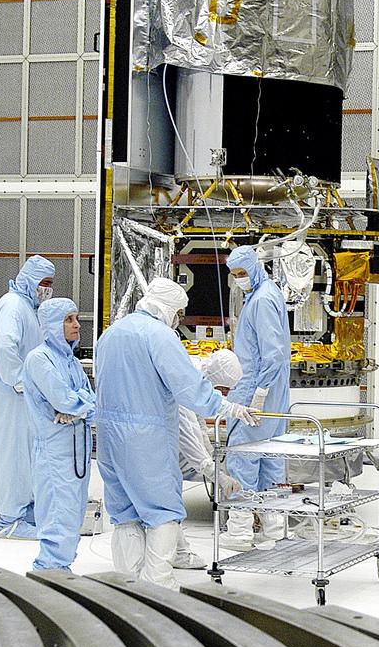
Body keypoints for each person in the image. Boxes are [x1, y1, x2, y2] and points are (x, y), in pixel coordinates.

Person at [95, 277, 258, 589]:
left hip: (108, 437)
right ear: (168, 308)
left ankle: (127, 587)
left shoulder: (112, 333)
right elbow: (190, 390)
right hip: (145, 439)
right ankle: (159, 586)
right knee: (163, 510)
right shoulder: (159, 336)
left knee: (125, 513)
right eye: (179, 313)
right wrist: (228, 408)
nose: (179, 319)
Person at [224, 246, 292, 551]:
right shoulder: (265, 294)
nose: (238, 279)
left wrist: (259, 394)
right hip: (274, 394)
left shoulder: (262, 300)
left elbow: (274, 354)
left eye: (241, 273)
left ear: (254, 267)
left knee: (243, 456)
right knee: (270, 459)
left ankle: (239, 531)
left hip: (256, 392)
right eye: (234, 275)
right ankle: (273, 529)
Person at [0, 254, 56, 539]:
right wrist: (18, 380)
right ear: (29, 279)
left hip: (23, 396)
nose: (47, 289)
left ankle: (25, 508)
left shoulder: (28, 306)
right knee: (14, 455)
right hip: (10, 395)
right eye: (43, 283)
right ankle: (9, 520)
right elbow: (4, 347)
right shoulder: (13, 305)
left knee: (28, 454)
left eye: (50, 283)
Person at [23, 298, 96, 572]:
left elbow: (87, 398)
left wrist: (79, 409)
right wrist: (77, 406)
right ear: (52, 325)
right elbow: (64, 400)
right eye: (69, 319)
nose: (77, 325)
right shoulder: (39, 359)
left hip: (77, 448)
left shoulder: (70, 361)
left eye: (76, 318)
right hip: (55, 452)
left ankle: (61, 569)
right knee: (57, 515)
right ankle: (49, 573)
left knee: (73, 512)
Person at [174, 348, 244, 570]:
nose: (223, 396)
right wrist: (220, 477)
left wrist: (212, 454)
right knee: (164, 505)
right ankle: (174, 555)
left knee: (165, 504)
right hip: (152, 447)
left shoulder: (197, 376)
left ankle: (175, 552)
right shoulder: (186, 387)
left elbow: (200, 425)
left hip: (153, 442)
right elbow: (192, 445)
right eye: (223, 390)